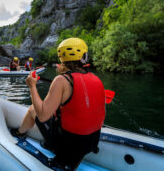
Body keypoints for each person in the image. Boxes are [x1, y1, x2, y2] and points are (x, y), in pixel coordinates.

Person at [11, 38, 106, 170]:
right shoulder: (96, 79)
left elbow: (43, 116)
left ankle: (19, 133)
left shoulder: (62, 80)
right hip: (91, 142)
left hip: (68, 146)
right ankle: (63, 152)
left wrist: (32, 86)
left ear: (61, 57)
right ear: (84, 56)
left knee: (33, 109)